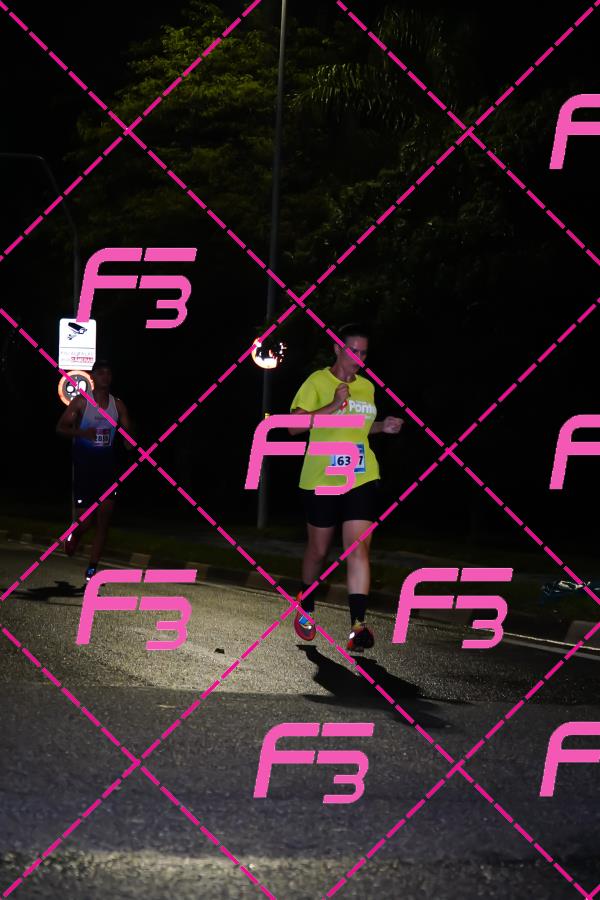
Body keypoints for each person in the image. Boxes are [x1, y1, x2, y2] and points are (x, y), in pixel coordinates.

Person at [289, 324, 403, 651]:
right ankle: (306, 606)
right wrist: (332, 405)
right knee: (318, 551)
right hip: (322, 478)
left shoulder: (367, 387)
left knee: (358, 549)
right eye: (353, 350)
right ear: (337, 349)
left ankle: (358, 626)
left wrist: (383, 426)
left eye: (364, 352)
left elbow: (358, 428)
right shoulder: (317, 382)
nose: (359, 358)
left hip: (360, 475)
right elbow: (294, 426)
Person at [56, 360, 132, 583]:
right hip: (84, 470)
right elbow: (60, 428)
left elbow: (128, 434)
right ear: (93, 377)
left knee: (103, 522)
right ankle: (75, 535)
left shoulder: (118, 405)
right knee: (85, 522)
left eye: (108, 373)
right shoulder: (82, 402)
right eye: (101, 373)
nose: (105, 377)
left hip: (107, 470)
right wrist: (82, 433)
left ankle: (91, 570)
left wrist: (129, 443)